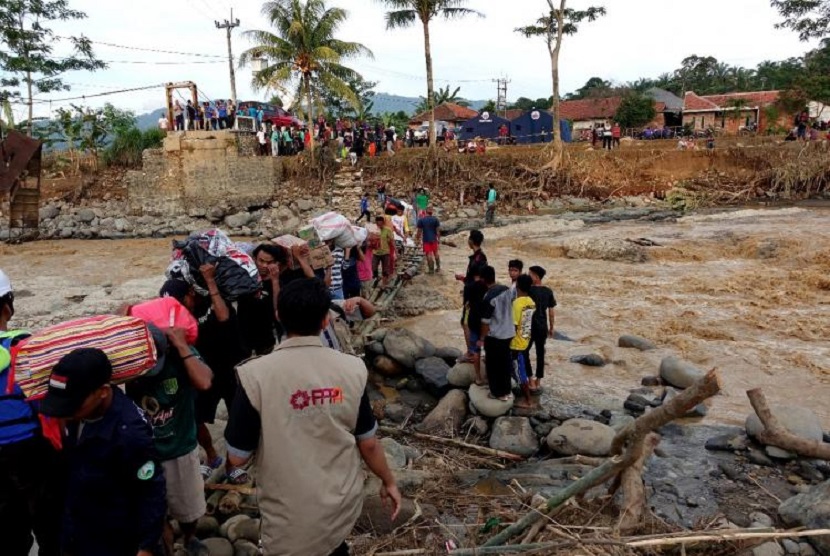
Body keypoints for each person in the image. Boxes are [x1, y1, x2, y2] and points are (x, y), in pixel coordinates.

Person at [225, 279, 401, 556]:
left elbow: (237, 457)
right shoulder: (352, 369)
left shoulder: (254, 375)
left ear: (279, 316)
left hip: (287, 513)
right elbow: (368, 443)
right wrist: (389, 481)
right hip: (339, 507)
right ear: (325, 321)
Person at [40, 348, 167, 556]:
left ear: (103, 392)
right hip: (78, 526)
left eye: (72, 405)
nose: (65, 412)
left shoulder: (130, 435)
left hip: (114, 537)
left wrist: (146, 547)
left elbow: (151, 492)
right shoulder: (77, 414)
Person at [126, 282, 214, 556]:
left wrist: (180, 345)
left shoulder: (181, 356)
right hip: (147, 452)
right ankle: (167, 546)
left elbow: (204, 382)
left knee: (189, 509)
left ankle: (189, 538)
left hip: (180, 446)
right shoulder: (131, 362)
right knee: (155, 513)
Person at [0, 270, 63, 556]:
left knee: (9, 529)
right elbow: (48, 401)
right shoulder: (24, 346)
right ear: (7, 307)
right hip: (31, 449)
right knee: (51, 524)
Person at [238, 244, 283, 356]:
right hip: (243, 336)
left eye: (269, 263)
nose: (264, 265)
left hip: (266, 339)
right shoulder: (244, 276)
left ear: (276, 263)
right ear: (254, 259)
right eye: (261, 261)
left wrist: (275, 281)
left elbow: (279, 309)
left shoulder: (278, 283)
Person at [479, 265, 514, 401]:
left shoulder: (488, 297)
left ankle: (497, 393)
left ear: (483, 280)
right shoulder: (506, 289)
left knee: (493, 365)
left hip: (495, 336)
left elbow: (485, 321)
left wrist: (482, 338)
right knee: (505, 363)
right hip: (508, 332)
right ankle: (507, 390)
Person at [455, 230, 487, 358]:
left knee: (466, 323)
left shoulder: (479, 259)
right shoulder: (477, 257)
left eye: (469, 238)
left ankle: (471, 352)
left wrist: (467, 287)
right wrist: (464, 279)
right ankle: (473, 351)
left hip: (474, 297)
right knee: (468, 322)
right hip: (473, 294)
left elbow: (478, 279)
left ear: (471, 241)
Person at [527, 265, 556, 393]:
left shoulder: (528, 290)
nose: (528, 276)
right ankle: (538, 381)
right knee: (540, 354)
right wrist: (551, 328)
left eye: (530, 274)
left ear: (536, 277)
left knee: (524, 351)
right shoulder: (548, 291)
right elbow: (551, 311)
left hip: (529, 326)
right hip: (542, 326)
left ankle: (529, 379)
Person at [510, 275, 536, 409]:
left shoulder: (516, 303)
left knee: (520, 373)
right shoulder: (531, 301)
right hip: (525, 339)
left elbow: (514, 325)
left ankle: (528, 401)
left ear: (517, 287)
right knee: (518, 369)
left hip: (516, 343)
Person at [464, 265, 488, 386]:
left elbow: (466, 304)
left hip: (473, 320)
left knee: (476, 350)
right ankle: (489, 376)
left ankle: (478, 378)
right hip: (486, 321)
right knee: (489, 349)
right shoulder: (487, 286)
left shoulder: (469, 287)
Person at [416, 207, 441, 274]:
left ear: (425, 212)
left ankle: (431, 270)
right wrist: (439, 239)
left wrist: (417, 239)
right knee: (436, 253)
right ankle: (438, 268)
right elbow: (438, 231)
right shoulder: (436, 219)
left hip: (426, 239)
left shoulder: (421, 220)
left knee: (428, 254)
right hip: (434, 239)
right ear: (431, 212)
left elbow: (419, 231)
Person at [373, 215, 395, 290]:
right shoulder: (374, 230)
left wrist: (396, 251)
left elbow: (392, 241)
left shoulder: (387, 230)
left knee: (385, 269)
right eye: (377, 223)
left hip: (385, 253)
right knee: (374, 268)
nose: (379, 225)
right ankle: (377, 278)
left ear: (383, 223)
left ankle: (384, 284)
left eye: (380, 223)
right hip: (375, 253)